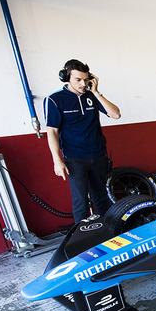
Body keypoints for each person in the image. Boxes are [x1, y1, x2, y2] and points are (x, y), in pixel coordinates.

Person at [45, 59, 121, 223]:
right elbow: (51, 131)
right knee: (81, 202)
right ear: (67, 78)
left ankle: (110, 232)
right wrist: (57, 161)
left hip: (98, 154)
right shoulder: (55, 100)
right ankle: (83, 238)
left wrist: (96, 92)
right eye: (78, 80)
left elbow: (115, 114)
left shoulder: (92, 96)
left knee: (102, 197)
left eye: (86, 79)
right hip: (74, 158)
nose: (83, 84)